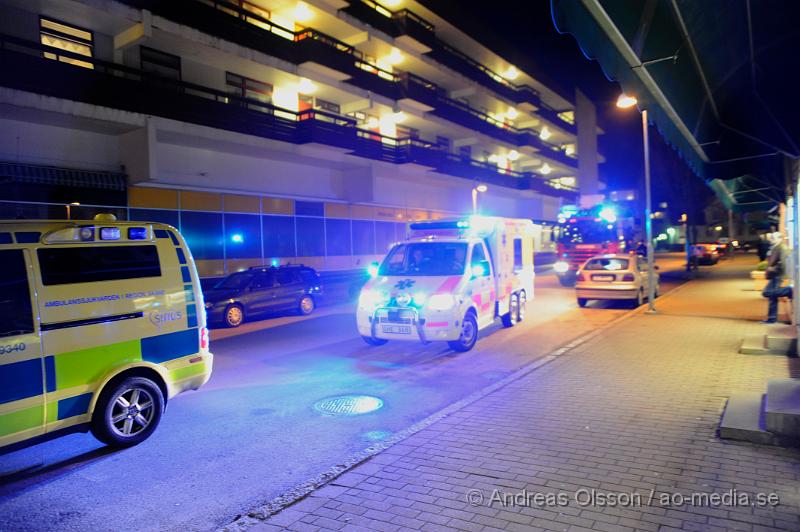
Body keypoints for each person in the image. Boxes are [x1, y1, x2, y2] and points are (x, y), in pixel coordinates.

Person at [761, 232, 792, 323]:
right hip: (774, 275)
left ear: (780, 238)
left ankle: (788, 290)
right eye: (771, 238)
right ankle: (771, 319)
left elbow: (783, 263)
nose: (771, 240)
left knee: (767, 293)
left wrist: (772, 269)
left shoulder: (782, 247)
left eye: (773, 238)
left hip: (778, 275)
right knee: (772, 296)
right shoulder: (775, 247)